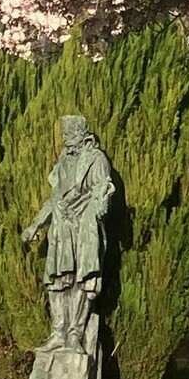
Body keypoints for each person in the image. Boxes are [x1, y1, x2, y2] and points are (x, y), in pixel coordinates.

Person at [22, 115, 114, 355]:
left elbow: (102, 188)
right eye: (63, 135)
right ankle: (58, 332)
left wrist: (99, 204)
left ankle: (74, 334)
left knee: (81, 281)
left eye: (69, 135)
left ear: (82, 134)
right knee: (56, 281)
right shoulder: (63, 161)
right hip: (62, 228)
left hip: (84, 227)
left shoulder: (95, 159)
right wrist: (36, 225)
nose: (65, 140)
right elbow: (54, 199)